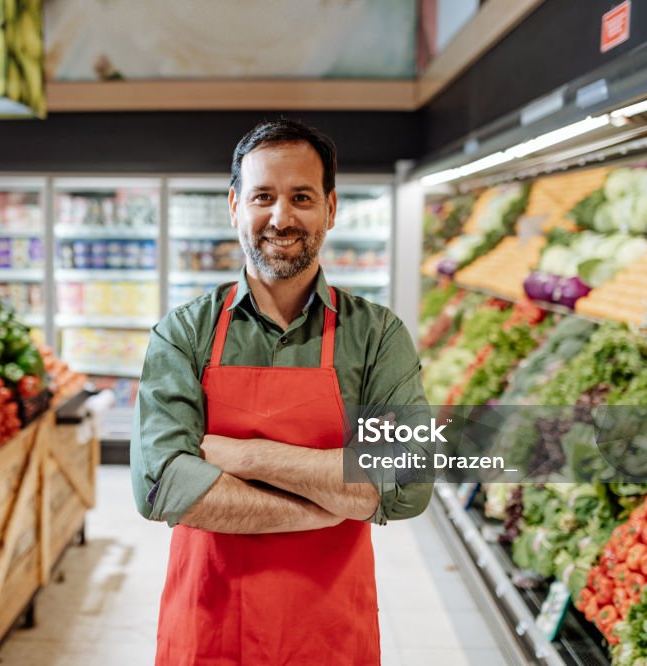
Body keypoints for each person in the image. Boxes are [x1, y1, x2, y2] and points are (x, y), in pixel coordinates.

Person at [130, 118, 432, 665]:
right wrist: (331, 502)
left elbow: (407, 484)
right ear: (235, 206)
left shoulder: (376, 335)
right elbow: (162, 488)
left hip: (328, 628)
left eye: (302, 197)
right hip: (209, 624)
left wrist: (243, 455)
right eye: (263, 196)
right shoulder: (185, 333)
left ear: (331, 209)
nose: (281, 217)